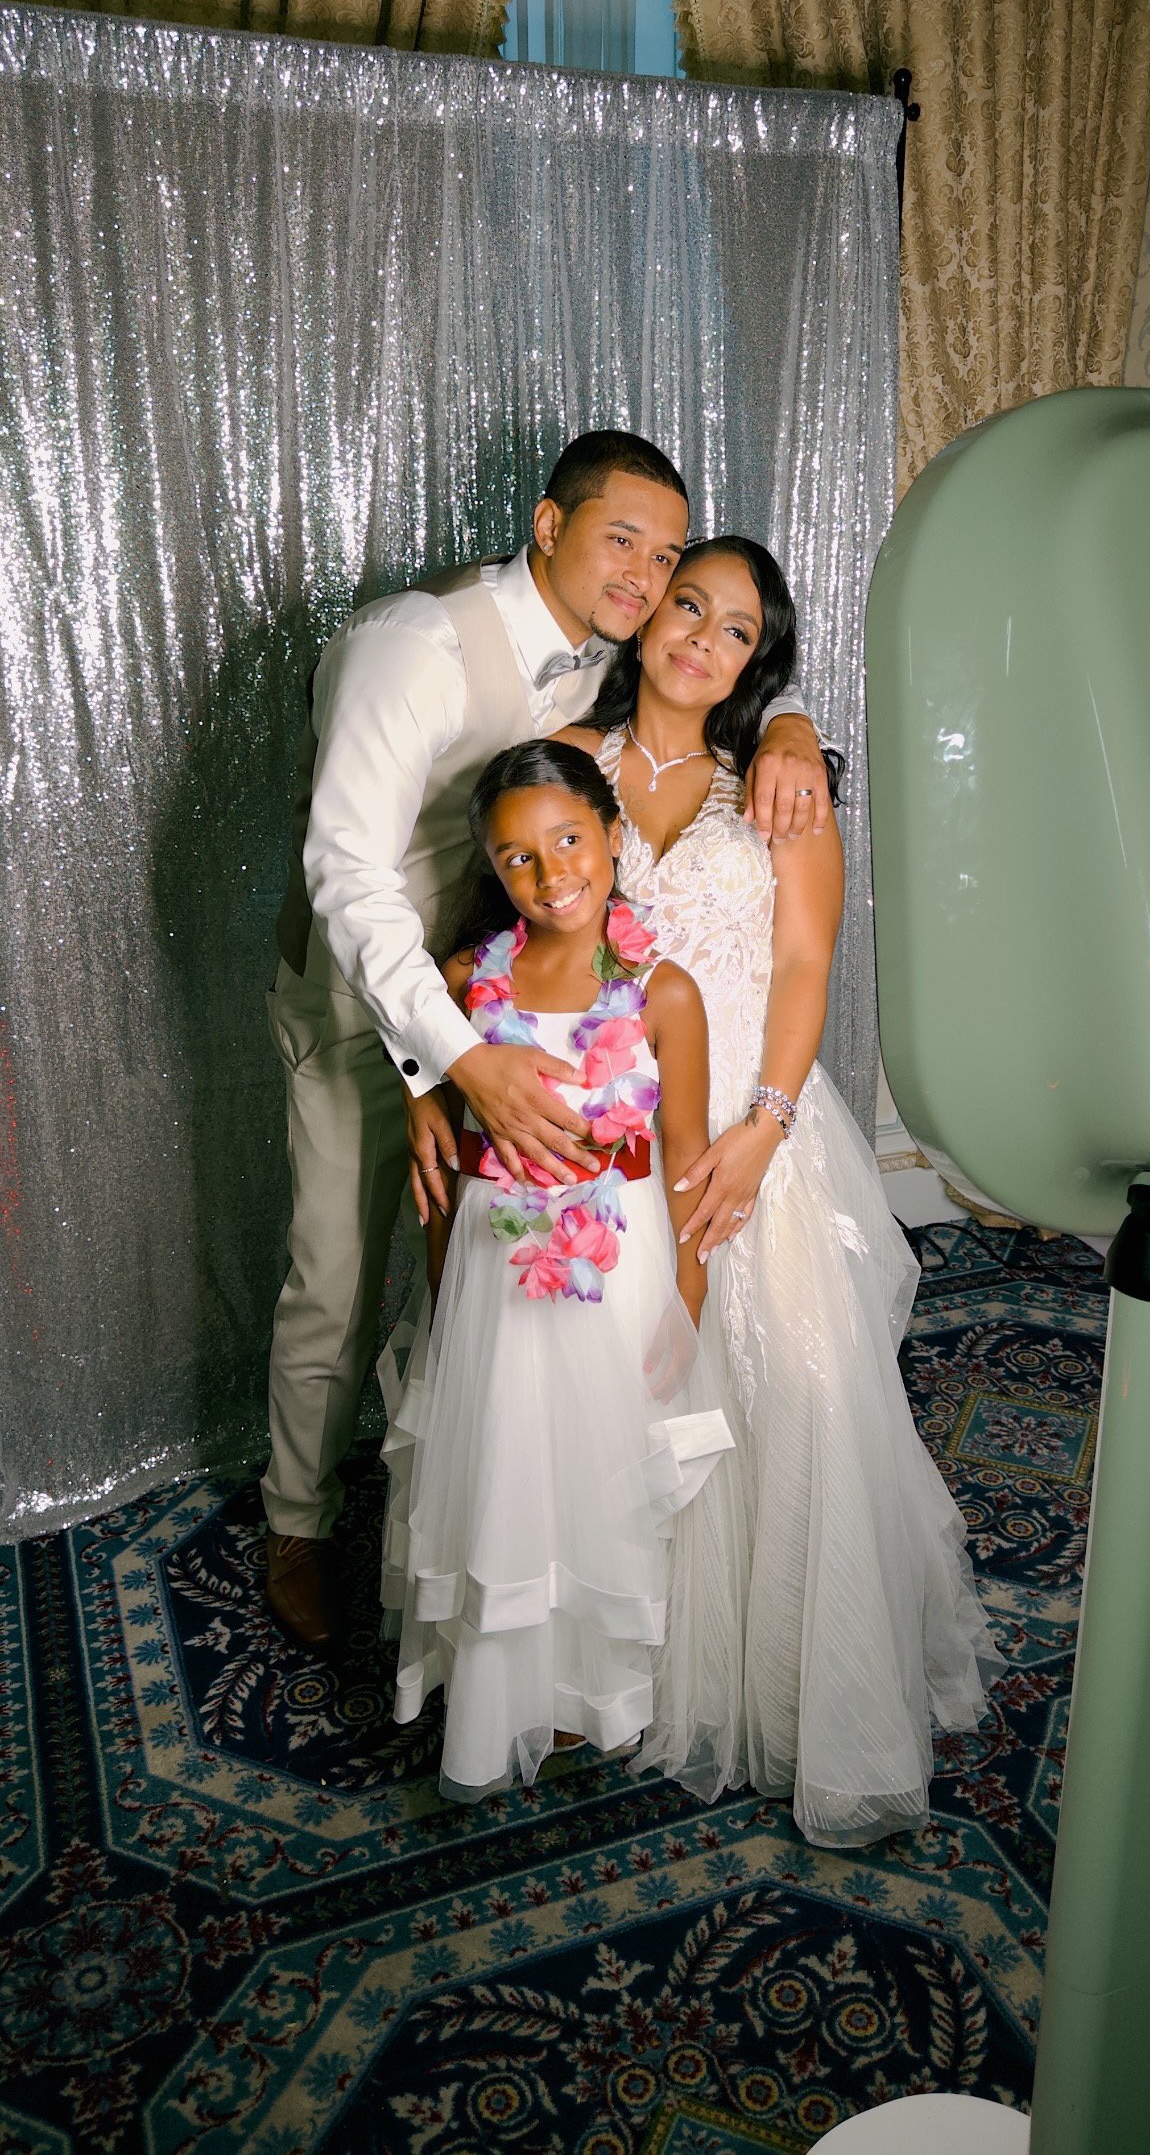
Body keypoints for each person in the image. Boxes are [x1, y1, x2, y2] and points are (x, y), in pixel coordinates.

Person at [261, 431, 831, 1651]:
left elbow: (723, 664)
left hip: (530, 1006)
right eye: (622, 540)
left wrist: (791, 732)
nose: (646, 575)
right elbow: (344, 876)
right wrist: (445, 1064)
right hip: (375, 1002)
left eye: (664, 553)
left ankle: (518, 1514)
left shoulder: (620, 646)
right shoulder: (410, 648)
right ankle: (300, 1523)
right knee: (340, 1266)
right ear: (547, 524)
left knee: (519, 1287)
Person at [555, 536, 1003, 1847]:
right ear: (644, 621)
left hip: (758, 1125)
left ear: (763, 658)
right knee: (623, 1399)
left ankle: (816, 1689)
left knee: (796, 1387)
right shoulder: (566, 765)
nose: (701, 636)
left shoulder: (779, 788)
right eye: (686, 605)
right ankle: (618, 1668)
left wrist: (760, 1125)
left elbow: (805, 966)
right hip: (616, 1132)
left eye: (738, 628)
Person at [378, 741, 734, 1798]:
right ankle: (502, 1693)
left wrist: (691, 1292)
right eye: (517, 858)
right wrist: (443, 1281)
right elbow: (443, 1145)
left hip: (619, 1258)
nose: (550, 872)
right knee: (505, 1466)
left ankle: (591, 1685)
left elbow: (682, 1154)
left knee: (601, 1475)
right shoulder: (463, 983)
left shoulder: (664, 991)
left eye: (570, 840)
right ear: (492, 870)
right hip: (496, 1263)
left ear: (613, 837)